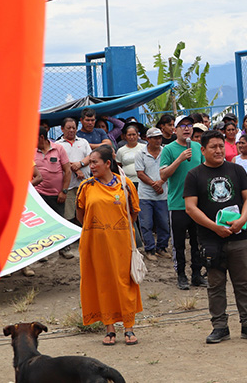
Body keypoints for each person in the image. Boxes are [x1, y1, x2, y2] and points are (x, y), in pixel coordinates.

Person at [184, 130, 247, 344]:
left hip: (238, 238)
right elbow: (191, 208)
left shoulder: (236, 170)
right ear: (203, 150)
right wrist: (214, 227)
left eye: (221, 146)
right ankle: (220, 327)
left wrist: (242, 221)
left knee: (243, 284)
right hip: (211, 240)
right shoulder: (194, 175)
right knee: (215, 285)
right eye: (213, 147)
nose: (218, 150)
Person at [76, 145, 142, 346]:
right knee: (102, 283)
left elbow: (134, 212)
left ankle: (128, 327)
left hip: (122, 243)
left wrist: (118, 228)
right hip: (95, 244)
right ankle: (109, 328)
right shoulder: (86, 186)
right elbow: (81, 214)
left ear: (107, 163)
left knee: (125, 282)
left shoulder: (125, 184)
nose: (91, 166)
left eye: (95, 162)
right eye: (90, 162)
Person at [160, 115, 207, 290]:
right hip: (177, 204)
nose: (186, 128)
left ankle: (197, 274)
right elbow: (163, 175)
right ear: (175, 130)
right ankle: (181, 275)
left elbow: (205, 171)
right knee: (179, 244)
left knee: (197, 242)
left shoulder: (198, 147)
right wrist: (179, 159)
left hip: (197, 205)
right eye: (182, 126)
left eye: (189, 125)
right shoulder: (169, 150)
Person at [35, 127, 74, 259]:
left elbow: (67, 171)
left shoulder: (58, 149)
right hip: (38, 194)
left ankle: (64, 248)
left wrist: (64, 191)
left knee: (60, 221)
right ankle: (42, 252)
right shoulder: (30, 151)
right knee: (40, 224)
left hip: (57, 194)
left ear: (41, 137)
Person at [135, 127, 171, 261]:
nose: (158, 140)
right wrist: (155, 184)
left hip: (163, 193)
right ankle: (149, 249)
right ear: (147, 139)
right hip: (145, 195)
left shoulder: (165, 152)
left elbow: (171, 169)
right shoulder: (141, 153)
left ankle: (161, 247)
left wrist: (161, 182)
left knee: (164, 223)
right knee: (146, 223)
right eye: (155, 138)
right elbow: (140, 173)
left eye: (159, 137)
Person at [55, 118, 91, 225]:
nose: (71, 130)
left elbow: (90, 156)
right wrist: (75, 169)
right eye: (68, 128)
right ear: (62, 129)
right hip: (68, 186)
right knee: (68, 217)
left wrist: (80, 164)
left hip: (84, 185)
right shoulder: (58, 145)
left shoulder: (83, 142)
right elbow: (59, 162)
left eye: (74, 128)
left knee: (85, 215)